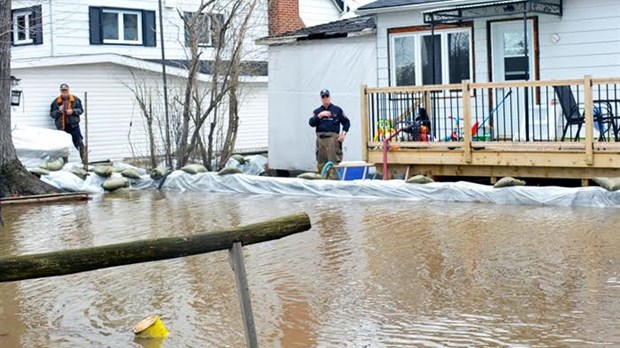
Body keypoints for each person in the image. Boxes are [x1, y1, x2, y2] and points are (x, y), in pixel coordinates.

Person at [308, 89, 350, 173]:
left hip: (332, 140)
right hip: (321, 140)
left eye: (327, 96)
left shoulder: (337, 110)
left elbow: (346, 122)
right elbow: (311, 123)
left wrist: (343, 134)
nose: (325, 98)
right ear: (321, 98)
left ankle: (334, 181)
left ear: (329, 97)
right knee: (321, 164)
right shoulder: (317, 111)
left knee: (333, 163)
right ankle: (322, 181)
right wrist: (320, 115)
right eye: (323, 97)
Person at [50, 83, 85, 163]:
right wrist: (59, 111)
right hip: (62, 127)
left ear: (68, 90)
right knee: (64, 147)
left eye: (66, 90)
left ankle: (85, 162)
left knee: (80, 144)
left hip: (74, 126)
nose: (64, 92)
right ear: (60, 91)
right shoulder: (56, 102)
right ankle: (65, 165)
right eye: (63, 91)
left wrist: (72, 111)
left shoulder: (75, 99)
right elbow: (52, 114)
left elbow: (81, 110)